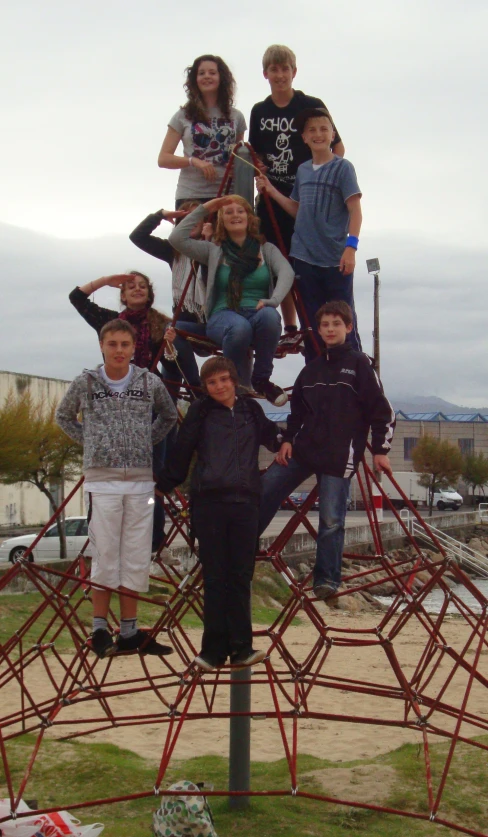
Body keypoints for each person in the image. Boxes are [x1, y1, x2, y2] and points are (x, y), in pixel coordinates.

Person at [55, 319, 177, 658]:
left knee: (136, 556)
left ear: (133, 346)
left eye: (125, 344)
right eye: (113, 344)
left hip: (140, 482)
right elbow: (63, 417)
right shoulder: (86, 382)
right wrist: (92, 443)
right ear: (102, 346)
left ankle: (129, 631)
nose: (119, 350)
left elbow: (168, 417)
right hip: (102, 481)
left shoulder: (148, 381)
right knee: (105, 554)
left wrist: (143, 442)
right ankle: (98, 629)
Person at [258, 301, 395, 600]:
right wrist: (288, 440)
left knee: (332, 520)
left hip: (339, 455)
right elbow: (296, 415)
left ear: (348, 327)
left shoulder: (360, 365)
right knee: (265, 488)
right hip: (305, 449)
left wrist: (380, 450)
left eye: (336, 324)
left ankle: (326, 580)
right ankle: (242, 548)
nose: (330, 329)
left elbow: (382, 412)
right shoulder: (311, 370)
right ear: (319, 331)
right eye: (325, 325)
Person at [157, 356, 280, 671]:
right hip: (210, 503)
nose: (219, 387)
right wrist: (166, 482)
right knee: (215, 577)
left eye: (224, 380)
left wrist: (288, 441)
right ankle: (212, 651)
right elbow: (183, 449)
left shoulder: (251, 410)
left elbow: (271, 434)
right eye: (212, 382)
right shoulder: (200, 411)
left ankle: (241, 648)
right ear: (205, 386)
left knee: (240, 576)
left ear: (234, 380)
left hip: (245, 503)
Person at [249, 44, 344, 342]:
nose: (280, 75)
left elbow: (337, 146)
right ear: (265, 74)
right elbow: (255, 155)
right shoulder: (259, 110)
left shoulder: (311, 104)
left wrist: (329, 183)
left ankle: (321, 327)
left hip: (309, 199)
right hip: (273, 198)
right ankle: (291, 327)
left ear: (294, 71)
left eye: (285, 69)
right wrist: (257, 169)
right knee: (280, 263)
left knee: (309, 261)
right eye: (274, 70)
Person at [256, 107, 362, 362]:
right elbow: (297, 209)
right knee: (311, 322)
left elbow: (355, 211)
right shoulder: (303, 171)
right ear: (303, 137)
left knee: (343, 319)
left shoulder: (344, 168)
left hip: (335, 258)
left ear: (332, 134)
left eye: (324, 129)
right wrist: (270, 190)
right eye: (312, 130)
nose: (318, 134)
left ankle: (353, 371)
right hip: (303, 257)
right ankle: (316, 371)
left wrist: (351, 247)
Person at [168, 196, 294, 405]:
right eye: (228, 212)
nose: (235, 215)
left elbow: (286, 273)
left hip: (257, 311)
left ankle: (262, 379)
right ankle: (232, 385)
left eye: (240, 211)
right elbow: (176, 239)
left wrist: (273, 300)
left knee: (271, 317)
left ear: (249, 217)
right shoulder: (213, 250)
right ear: (221, 220)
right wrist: (207, 207)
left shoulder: (266, 249)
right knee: (239, 327)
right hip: (223, 314)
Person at [69, 271, 201, 397]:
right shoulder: (110, 322)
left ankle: (197, 392)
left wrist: (169, 347)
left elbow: (172, 369)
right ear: (123, 296)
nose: (137, 289)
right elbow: (76, 297)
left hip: (149, 391)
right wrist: (106, 281)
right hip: (115, 389)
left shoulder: (160, 324)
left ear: (149, 295)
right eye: (131, 287)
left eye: (142, 286)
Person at [158, 55, 246, 207]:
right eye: (201, 73)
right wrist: (194, 161)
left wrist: (236, 166)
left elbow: (240, 155)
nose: (207, 76)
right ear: (195, 80)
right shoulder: (182, 116)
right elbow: (163, 159)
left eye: (212, 73)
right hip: (191, 195)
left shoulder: (236, 116)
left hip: (227, 195)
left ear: (221, 78)